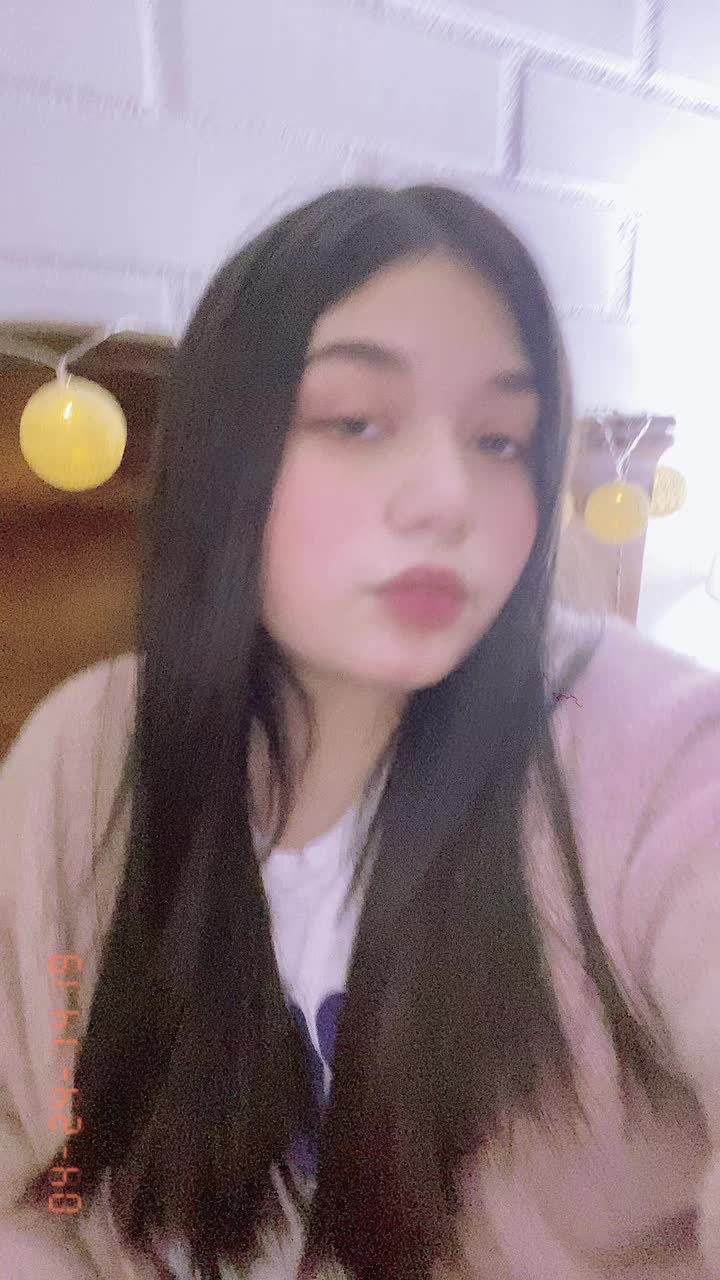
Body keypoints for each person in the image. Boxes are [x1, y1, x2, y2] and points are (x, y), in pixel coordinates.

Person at [1, 183, 720, 1280]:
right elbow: (39, 1172)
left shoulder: (657, 759)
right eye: (356, 422)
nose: (448, 497)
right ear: (221, 459)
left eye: (501, 439)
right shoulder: (84, 754)